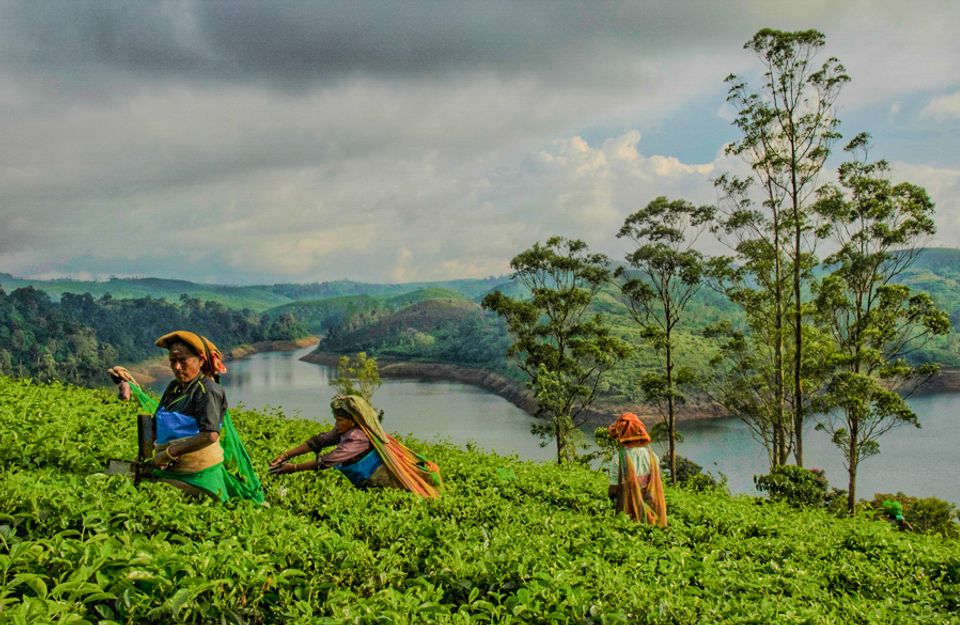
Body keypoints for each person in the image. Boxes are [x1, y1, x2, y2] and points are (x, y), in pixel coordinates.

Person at [112, 331, 264, 504]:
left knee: (148, 494)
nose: (177, 367)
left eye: (182, 360)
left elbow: (210, 434)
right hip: (168, 469)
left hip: (198, 477)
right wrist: (127, 384)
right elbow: (157, 421)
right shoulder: (174, 388)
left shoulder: (207, 391)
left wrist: (169, 453)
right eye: (172, 361)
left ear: (200, 360)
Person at [269, 394, 442, 498]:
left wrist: (293, 468)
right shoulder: (346, 429)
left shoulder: (358, 437)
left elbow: (327, 461)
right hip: (366, 480)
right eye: (336, 420)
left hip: (382, 481)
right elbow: (319, 441)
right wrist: (286, 455)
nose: (337, 425)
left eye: (340, 420)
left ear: (353, 421)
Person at [607, 412, 668, 527]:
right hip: (652, 510)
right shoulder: (653, 456)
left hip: (628, 513)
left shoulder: (618, 459)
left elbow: (613, 489)